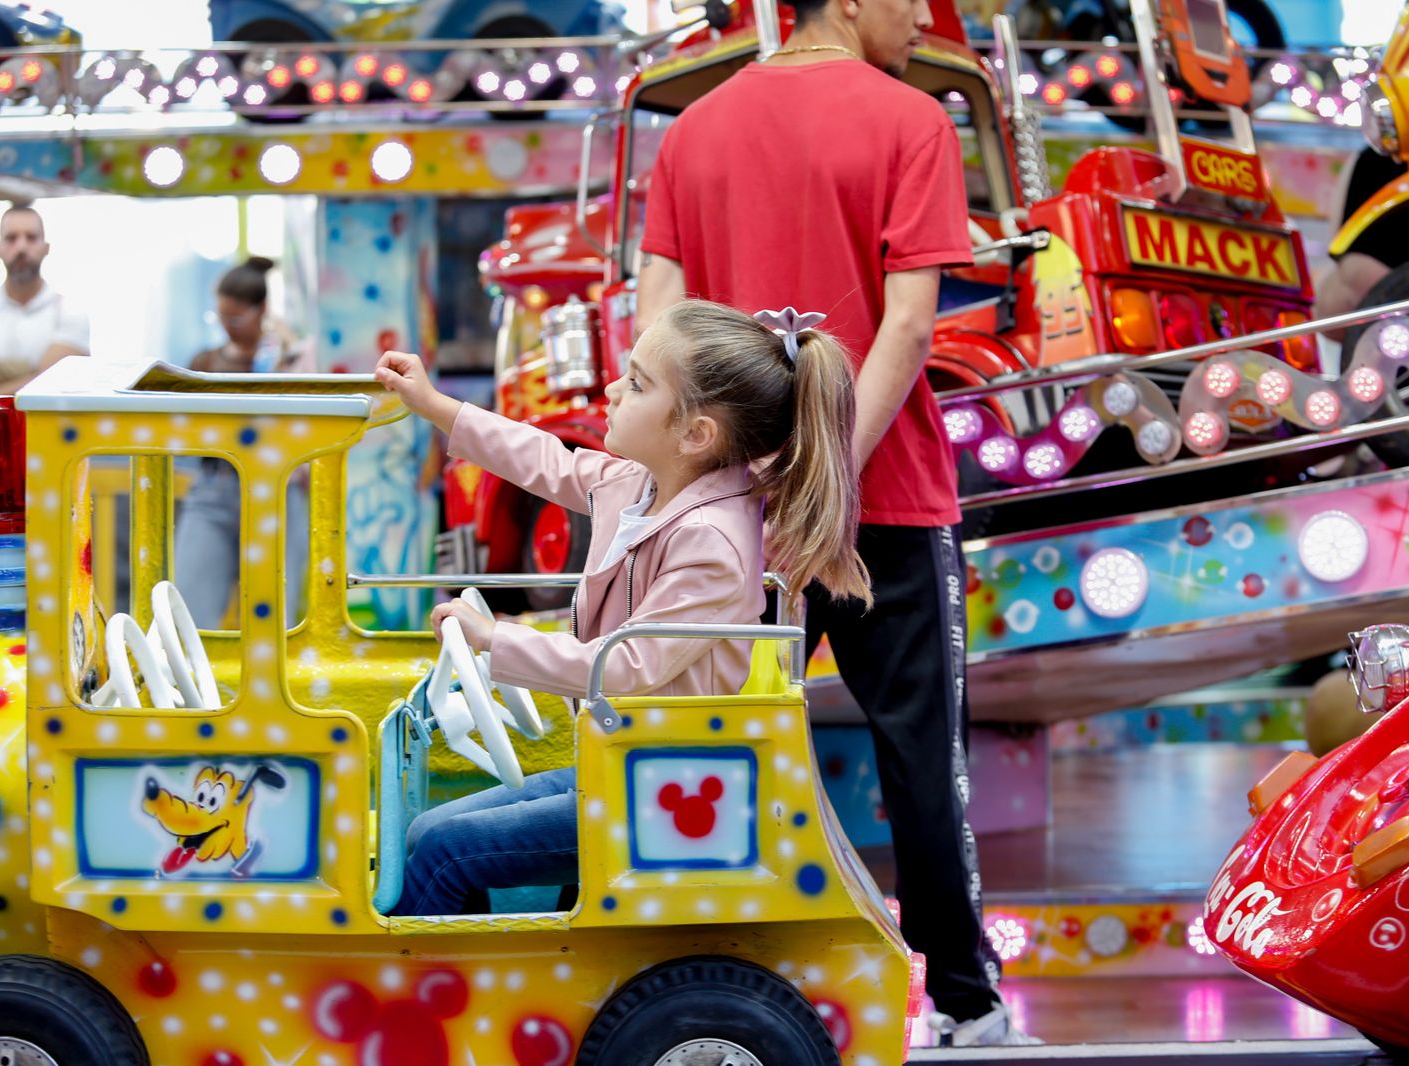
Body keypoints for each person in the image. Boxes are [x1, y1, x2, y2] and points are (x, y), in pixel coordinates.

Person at [632, 0, 1035, 1047]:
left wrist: (711, 476)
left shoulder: (694, 131)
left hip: (727, 509)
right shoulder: (909, 120)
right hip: (882, 499)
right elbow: (907, 326)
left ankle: (687, 987)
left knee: (699, 743)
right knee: (919, 755)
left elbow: (658, 322)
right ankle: (964, 1004)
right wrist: (829, 479)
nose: (920, 16)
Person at [374, 299, 868, 916]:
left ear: (695, 434)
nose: (611, 389)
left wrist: (494, 638)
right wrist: (432, 404)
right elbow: (545, 460)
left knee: (445, 849)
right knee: (426, 834)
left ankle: (423, 999)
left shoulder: (711, 541)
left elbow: (625, 666)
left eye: (636, 384)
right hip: (629, 765)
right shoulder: (643, 485)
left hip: (675, 790)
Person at [174, 256, 312, 628]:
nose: (228, 328)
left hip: (277, 491)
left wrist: (288, 354)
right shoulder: (203, 362)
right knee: (190, 610)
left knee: (275, 615)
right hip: (215, 486)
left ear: (262, 310)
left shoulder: (288, 358)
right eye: (220, 317)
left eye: (236, 318)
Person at [0, 203, 89, 392]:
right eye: (11, 238)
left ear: (46, 248)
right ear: (0, 247)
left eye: (31, 238)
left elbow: (50, 385)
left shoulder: (70, 312)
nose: (21, 247)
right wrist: (33, 375)